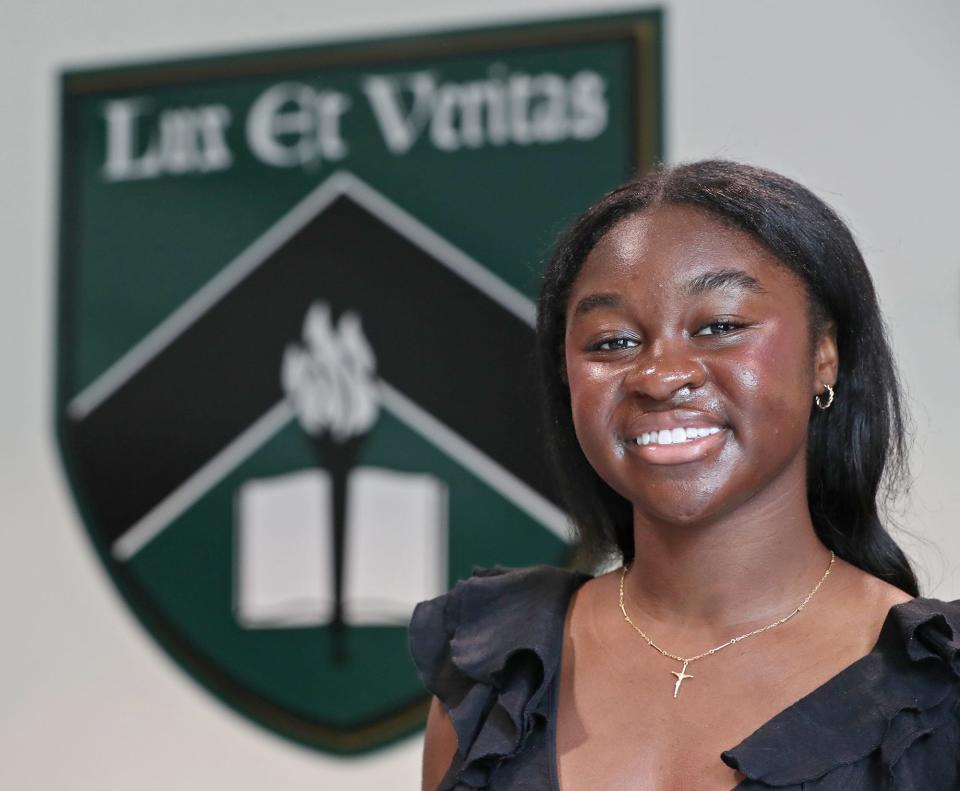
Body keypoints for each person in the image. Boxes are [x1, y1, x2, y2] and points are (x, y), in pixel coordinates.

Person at [409, 160, 960, 790]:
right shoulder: (496, 670)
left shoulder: (940, 690)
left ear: (824, 355)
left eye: (721, 326)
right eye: (612, 341)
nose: (660, 375)